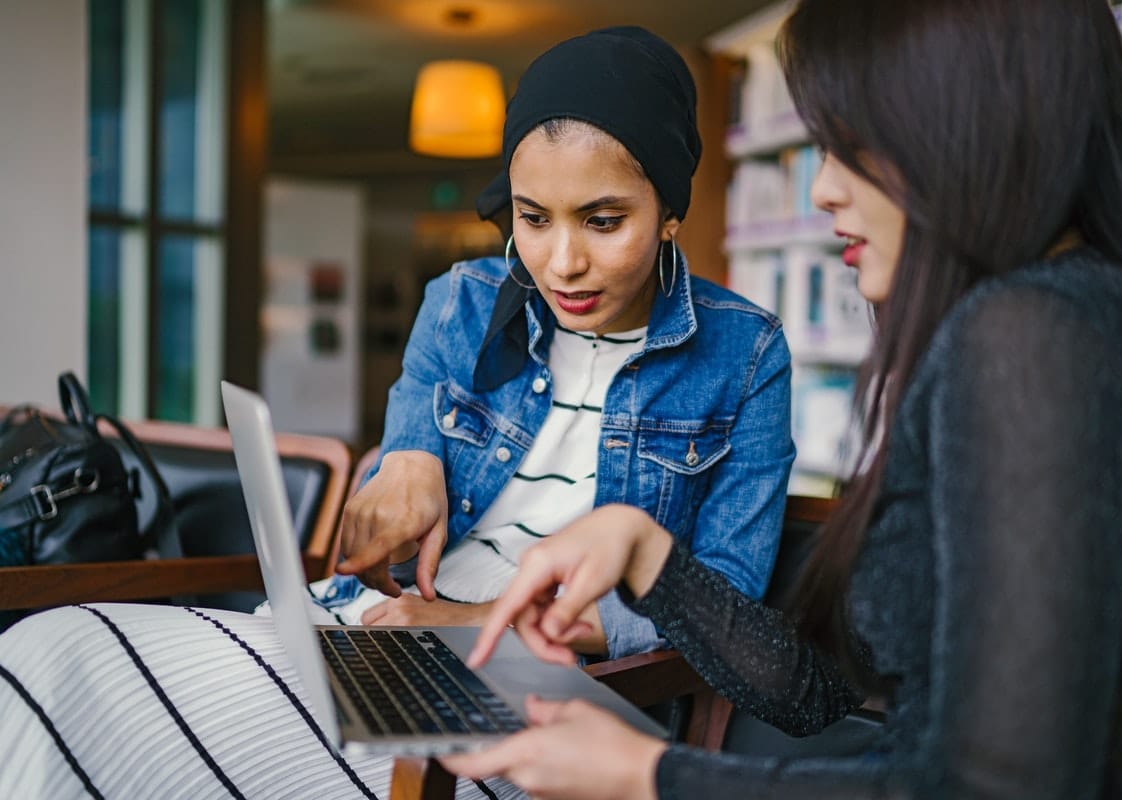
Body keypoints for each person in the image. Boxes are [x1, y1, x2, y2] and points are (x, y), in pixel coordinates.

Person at [0, 26, 796, 800]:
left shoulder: (746, 355)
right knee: (47, 649)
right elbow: (402, 466)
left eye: (602, 220)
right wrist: (403, 460)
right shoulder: (462, 301)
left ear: (670, 213)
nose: (562, 262)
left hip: (544, 688)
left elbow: (717, 606)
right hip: (369, 630)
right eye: (532, 217)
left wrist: (461, 618)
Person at [442, 1, 1122, 797]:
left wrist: (648, 776)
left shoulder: (1034, 337)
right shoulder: (1060, 320)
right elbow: (817, 698)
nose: (827, 189)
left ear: (964, 125)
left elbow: (998, 788)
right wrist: (647, 553)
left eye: (849, 147)